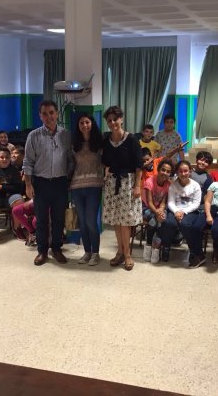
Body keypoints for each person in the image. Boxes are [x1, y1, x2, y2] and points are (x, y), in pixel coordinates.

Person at [23, 100, 73, 266]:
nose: (49, 116)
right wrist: (28, 185)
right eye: (44, 113)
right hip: (40, 183)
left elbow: (70, 159)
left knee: (59, 219)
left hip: (60, 183)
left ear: (57, 114)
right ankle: (42, 251)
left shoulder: (66, 135)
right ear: (40, 116)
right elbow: (28, 162)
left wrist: (69, 179)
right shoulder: (33, 136)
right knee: (41, 219)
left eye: (51, 112)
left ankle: (56, 248)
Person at [101, 105, 143, 271]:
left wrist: (137, 186)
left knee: (125, 222)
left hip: (128, 183)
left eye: (115, 119)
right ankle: (119, 252)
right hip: (112, 183)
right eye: (109, 120)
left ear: (121, 119)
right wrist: (106, 175)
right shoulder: (106, 140)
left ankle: (127, 255)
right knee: (116, 222)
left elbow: (139, 165)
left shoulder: (132, 139)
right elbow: (105, 161)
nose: (112, 123)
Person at [69, 113, 104, 266]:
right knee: (82, 222)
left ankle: (95, 253)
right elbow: (70, 164)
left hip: (94, 186)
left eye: (87, 122)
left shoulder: (100, 142)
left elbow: (105, 163)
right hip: (76, 186)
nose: (84, 125)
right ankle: (87, 252)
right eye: (81, 123)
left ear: (92, 123)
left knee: (91, 221)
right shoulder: (74, 144)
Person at [158, 160, 205, 267]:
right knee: (168, 223)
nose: (183, 174)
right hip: (175, 210)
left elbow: (196, 203)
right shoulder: (173, 185)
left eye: (185, 171)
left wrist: (183, 211)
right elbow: (170, 202)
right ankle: (166, 247)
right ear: (177, 172)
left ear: (190, 172)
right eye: (180, 171)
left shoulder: (195, 185)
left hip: (190, 211)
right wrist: (176, 211)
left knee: (185, 224)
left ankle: (194, 251)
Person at [142, 159, 173, 263]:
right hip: (146, 207)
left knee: (162, 220)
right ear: (158, 170)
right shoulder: (149, 181)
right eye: (163, 170)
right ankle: (148, 245)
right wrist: (157, 213)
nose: (165, 173)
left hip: (158, 209)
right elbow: (150, 202)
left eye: (168, 171)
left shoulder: (168, 184)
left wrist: (161, 211)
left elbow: (163, 202)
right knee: (154, 221)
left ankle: (156, 247)